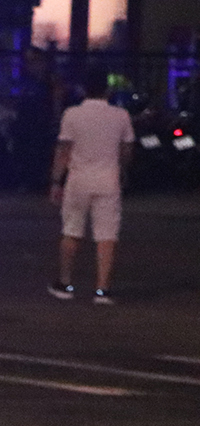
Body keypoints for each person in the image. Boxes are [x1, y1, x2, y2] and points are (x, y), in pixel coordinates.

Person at [48, 70, 134, 305]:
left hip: (79, 179)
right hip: (108, 179)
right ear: (107, 90)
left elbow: (64, 150)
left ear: (83, 90)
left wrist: (57, 181)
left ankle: (66, 283)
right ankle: (102, 289)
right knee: (107, 234)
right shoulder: (121, 115)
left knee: (71, 230)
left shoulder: (72, 115)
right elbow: (126, 151)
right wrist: (121, 168)